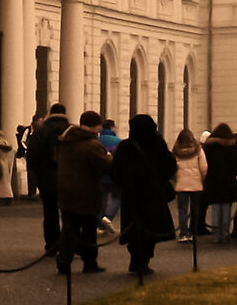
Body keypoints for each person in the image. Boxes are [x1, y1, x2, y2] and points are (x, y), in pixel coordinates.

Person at [110, 114, 177, 274]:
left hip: (131, 196)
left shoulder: (125, 147)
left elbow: (115, 172)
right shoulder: (158, 145)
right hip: (153, 195)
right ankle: (143, 259)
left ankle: (136, 259)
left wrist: (126, 184)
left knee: (133, 229)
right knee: (150, 229)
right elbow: (170, 166)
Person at [55, 113, 111, 274]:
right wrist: (109, 157)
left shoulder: (66, 141)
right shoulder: (92, 145)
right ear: (95, 126)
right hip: (87, 192)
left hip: (67, 191)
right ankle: (90, 262)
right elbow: (105, 166)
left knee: (68, 229)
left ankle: (64, 261)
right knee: (88, 231)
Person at [28, 102, 69, 252]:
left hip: (47, 178)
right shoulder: (71, 130)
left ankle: (52, 244)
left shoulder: (40, 131)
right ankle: (68, 244)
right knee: (69, 214)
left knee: (50, 212)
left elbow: (31, 156)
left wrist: (39, 173)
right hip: (69, 178)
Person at [202, 122, 237, 242]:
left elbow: (206, 163)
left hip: (213, 179)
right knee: (226, 207)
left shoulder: (209, 145)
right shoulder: (232, 145)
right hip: (228, 180)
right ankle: (225, 233)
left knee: (216, 206)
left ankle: (217, 233)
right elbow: (236, 163)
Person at [171, 127, 206, 240]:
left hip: (181, 184)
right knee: (195, 209)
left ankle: (183, 233)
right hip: (196, 183)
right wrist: (202, 178)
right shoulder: (198, 150)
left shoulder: (176, 151)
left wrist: (176, 179)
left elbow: (173, 169)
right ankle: (193, 232)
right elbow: (204, 167)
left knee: (182, 210)